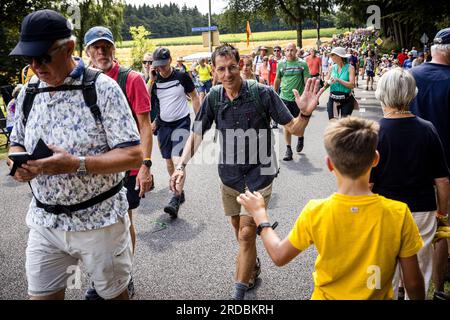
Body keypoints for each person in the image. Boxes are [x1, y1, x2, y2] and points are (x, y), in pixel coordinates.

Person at [170, 43, 324, 300]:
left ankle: (238, 294)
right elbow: (196, 135)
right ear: (214, 71)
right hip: (229, 177)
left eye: (232, 67)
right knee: (238, 229)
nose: (228, 73)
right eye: (222, 69)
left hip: (259, 177)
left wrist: (305, 113)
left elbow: (294, 129)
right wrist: (181, 166)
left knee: (245, 233)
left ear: (241, 64)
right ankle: (251, 265)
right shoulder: (213, 98)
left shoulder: (263, 94)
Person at [8, 9, 142, 300]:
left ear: (68, 48)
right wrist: (18, 162)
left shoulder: (102, 88)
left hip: (100, 223)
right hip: (45, 223)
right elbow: (16, 142)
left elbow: (133, 154)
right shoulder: (29, 91)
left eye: (43, 57)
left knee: (114, 297)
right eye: (28, 58)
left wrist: (76, 164)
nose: (35, 66)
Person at [237, 116, 425, 300]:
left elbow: (279, 256)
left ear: (329, 164)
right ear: (375, 159)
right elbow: (414, 283)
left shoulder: (316, 211)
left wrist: (260, 215)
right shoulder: (398, 213)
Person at [83, 26, 154, 299]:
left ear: (113, 48)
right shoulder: (83, 81)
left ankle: (123, 277)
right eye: (96, 47)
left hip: (128, 166)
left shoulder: (131, 79)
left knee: (123, 222)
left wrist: (145, 164)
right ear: (88, 52)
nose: (101, 51)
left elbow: (145, 126)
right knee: (95, 226)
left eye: (106, 46)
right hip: (97, 168)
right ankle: (102, 276)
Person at [370, 68, 449, 299]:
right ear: (412, 94)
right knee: (420, 268)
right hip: (422, 210)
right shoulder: (428, 129)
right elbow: (442, 180)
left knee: (380, 269)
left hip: (384, 209)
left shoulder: (375, 131)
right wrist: (442, 213)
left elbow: (368, 184)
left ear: (382, 93)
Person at [410, 27, 450, 300]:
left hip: (412, 166)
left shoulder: (410, 76)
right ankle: (437, 289)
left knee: (413, 230)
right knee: (443, 226)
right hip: (447, 169)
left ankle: (406, 289)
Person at [151, 47, 200, 219]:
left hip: (181, 122)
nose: (161, 69)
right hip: (164, 125)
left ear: (170, 61)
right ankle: (179, 190)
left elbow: (194, 96)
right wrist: (155, 122)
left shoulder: (182, 76)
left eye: (163, 65)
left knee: (177, 159)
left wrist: (199, 120)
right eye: (157, 66)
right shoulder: (154, 81)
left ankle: (175, 198)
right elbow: (154, 104)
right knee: (168, 162)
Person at [274, 43, 310, 161]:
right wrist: (274, 95)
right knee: (287, 124)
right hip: (284, 98)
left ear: (296, 51)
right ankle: (288, 149)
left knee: (300, 123)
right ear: (285, 52)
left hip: (298, 100)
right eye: (287, 50)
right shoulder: (281, 64)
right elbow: (277, 80)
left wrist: (306, 97)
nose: (289, 53)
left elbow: (306, 82)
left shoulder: (302, 64)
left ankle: (301, 137)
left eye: (292, 50)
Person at [324, 47, 356, 120]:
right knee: (333, 124)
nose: (331, 57)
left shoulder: (350, 68)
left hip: (346, 100)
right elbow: (325, 85)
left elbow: (352, 85)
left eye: (332, 55)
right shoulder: (331, 68)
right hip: (333, 99)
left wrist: (338, 80)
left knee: (344, 126)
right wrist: (326, 83)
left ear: (339, 56)